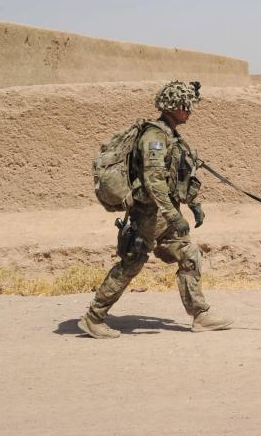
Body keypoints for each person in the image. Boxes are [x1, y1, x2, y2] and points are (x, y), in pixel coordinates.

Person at [78, 81, 233, 338]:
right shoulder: (154, 137)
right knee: (132, 263)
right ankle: (94, 317)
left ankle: (200, 314)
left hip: (162, 215)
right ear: (172, 107)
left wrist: (193, 205)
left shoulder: (172, 136)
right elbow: (153, 180)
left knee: (189, 254)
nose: (190, 111)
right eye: (185, 106)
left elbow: (180, 174)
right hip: (148, 215)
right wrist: (174, 215)